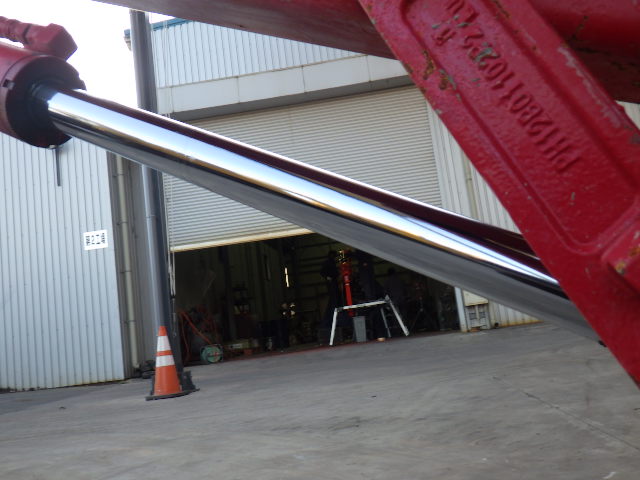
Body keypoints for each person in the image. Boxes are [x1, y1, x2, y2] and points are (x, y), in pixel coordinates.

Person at [319, 250, 340, 343]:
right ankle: (332, 317)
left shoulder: (331, 262)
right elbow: (322, 272)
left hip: (333, 282)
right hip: (331, 283)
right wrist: (327, 277)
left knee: (334, 299)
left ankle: (334, 314)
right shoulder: (328, 262)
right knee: (333, 300)